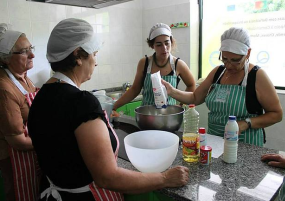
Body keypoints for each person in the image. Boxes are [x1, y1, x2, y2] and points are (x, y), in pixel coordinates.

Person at [27, 18, 189, 201]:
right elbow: (107, 177)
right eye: (94, 54)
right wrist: (165, 178)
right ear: (78, 56)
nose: (95, 62)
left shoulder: (40, 96)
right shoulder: (81, 103)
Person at [162, 27, 283, 147]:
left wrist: (247, 123)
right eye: (224, 59)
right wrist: (172, 91)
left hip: (245, 144)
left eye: (235, 60)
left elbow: (276, 114)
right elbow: (195, 97)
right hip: (214, 142)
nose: (229, 65)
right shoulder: (218, 72)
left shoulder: (257, 76)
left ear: (248, 53)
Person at [112, 23, 195, 113]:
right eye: (159, 45)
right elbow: (135, 89)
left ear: (171, 42)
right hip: (147, 116)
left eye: (167, 43)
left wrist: (181, 104)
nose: (164, 48)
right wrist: (114, 107)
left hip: (169, 116)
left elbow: (191, 85)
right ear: (152, 45)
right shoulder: (144, 63)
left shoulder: (178, 64)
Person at [0, 23, 40, 201]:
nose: (32, 54)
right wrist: (51, 139)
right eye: (24, 51)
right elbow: (18, 142)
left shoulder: (23, 77)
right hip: (13, 161)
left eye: (30, 48)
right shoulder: (4, 88)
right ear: (6, 59)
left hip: (30, 156)